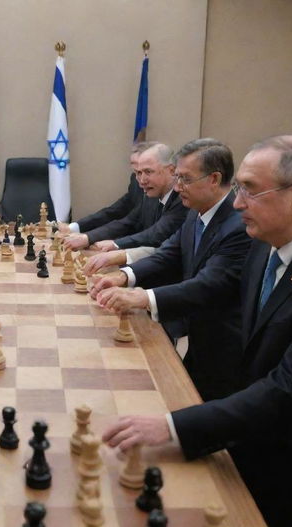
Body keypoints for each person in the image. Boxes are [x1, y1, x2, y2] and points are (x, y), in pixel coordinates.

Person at [101, 137, 292, 527]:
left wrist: (174, 425)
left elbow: (289, 390)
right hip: (252, 427)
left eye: (249, 190)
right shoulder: (264, 245)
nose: (238, 202)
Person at [92, 139, 251, 401]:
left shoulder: (236, 227)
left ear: (213, 179)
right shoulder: (196, 211)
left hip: (225, 349)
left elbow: (208, 284)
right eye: (177, 177)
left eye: (185, 179)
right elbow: (169, 253)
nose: (177, 187)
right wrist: (124, 276)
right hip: (199, 340)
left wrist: (144, 297)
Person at [63, 143, 188, 253]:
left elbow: (156, 234)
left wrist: (116, 244)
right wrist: (88, 238)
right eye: (139, 173)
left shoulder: (183, 198)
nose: (142, 181)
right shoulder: (152, 193)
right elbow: (128, 222)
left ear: (172, 170)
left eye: (148, 172)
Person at [60, 141, 152, 237]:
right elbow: (114, 211)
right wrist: (74, 227)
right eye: (133, 165)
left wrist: (88, 237)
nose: (138, 172)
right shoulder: (135, 180)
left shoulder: (156, 187)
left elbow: (130, 222)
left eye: (142, 167)